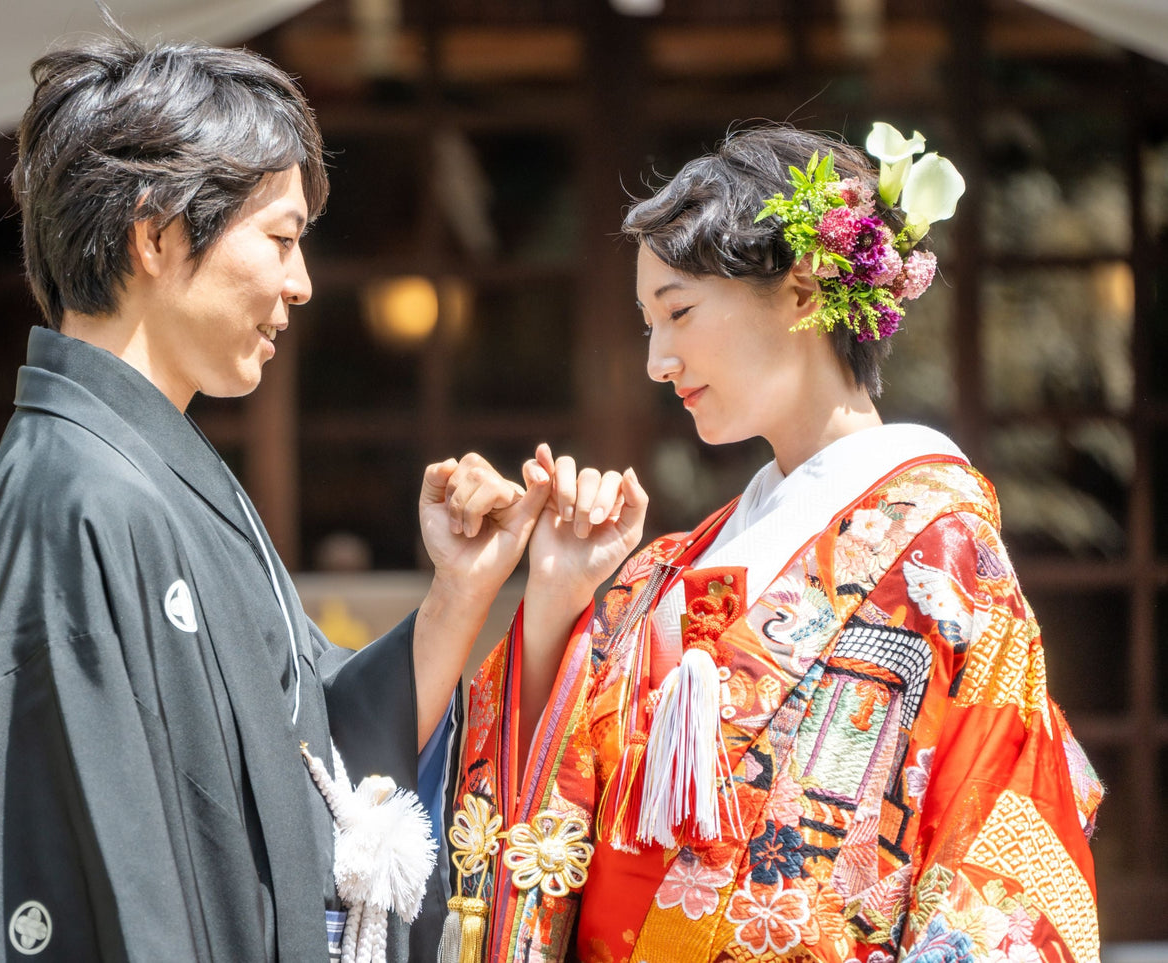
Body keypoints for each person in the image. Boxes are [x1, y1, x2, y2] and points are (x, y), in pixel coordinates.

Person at [0, 29, 555, 963]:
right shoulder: (72, 495)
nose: (299, 284)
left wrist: (461, 588)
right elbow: (85, 869)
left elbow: (312, 737)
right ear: (156, 233)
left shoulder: (145, 474)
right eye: (281, 239)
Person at [438, 125, 1103, 963]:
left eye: (677, 311)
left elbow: (999, 845)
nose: (656, 358)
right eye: (647, 323)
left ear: (801, 292)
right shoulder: (666, 565)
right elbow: (550, 782)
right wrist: (557, 599)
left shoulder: (942, 548)